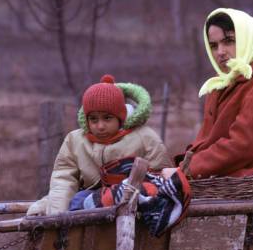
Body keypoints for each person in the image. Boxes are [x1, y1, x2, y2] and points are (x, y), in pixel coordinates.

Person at [162, 8, 253, 181]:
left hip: (242, 187)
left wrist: (187, 169)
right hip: (212, 180)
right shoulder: (221, 83)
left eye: (229, 41)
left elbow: (241, 146)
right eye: (214, 46)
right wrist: (180, 167)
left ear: (247, 39)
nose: (220, 52)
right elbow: (206, 142)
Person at [27, 74, 172, 216]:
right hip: (87, 197)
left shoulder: (145, 137)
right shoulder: (75, 140)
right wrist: (57, 216)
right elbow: (63, 180)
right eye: (94, 119)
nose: (100, 126)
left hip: (133, 198)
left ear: (120, 117)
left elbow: (162, 176)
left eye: (107, 118)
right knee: (71, 202)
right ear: (86, 119)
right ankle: (70, 237)